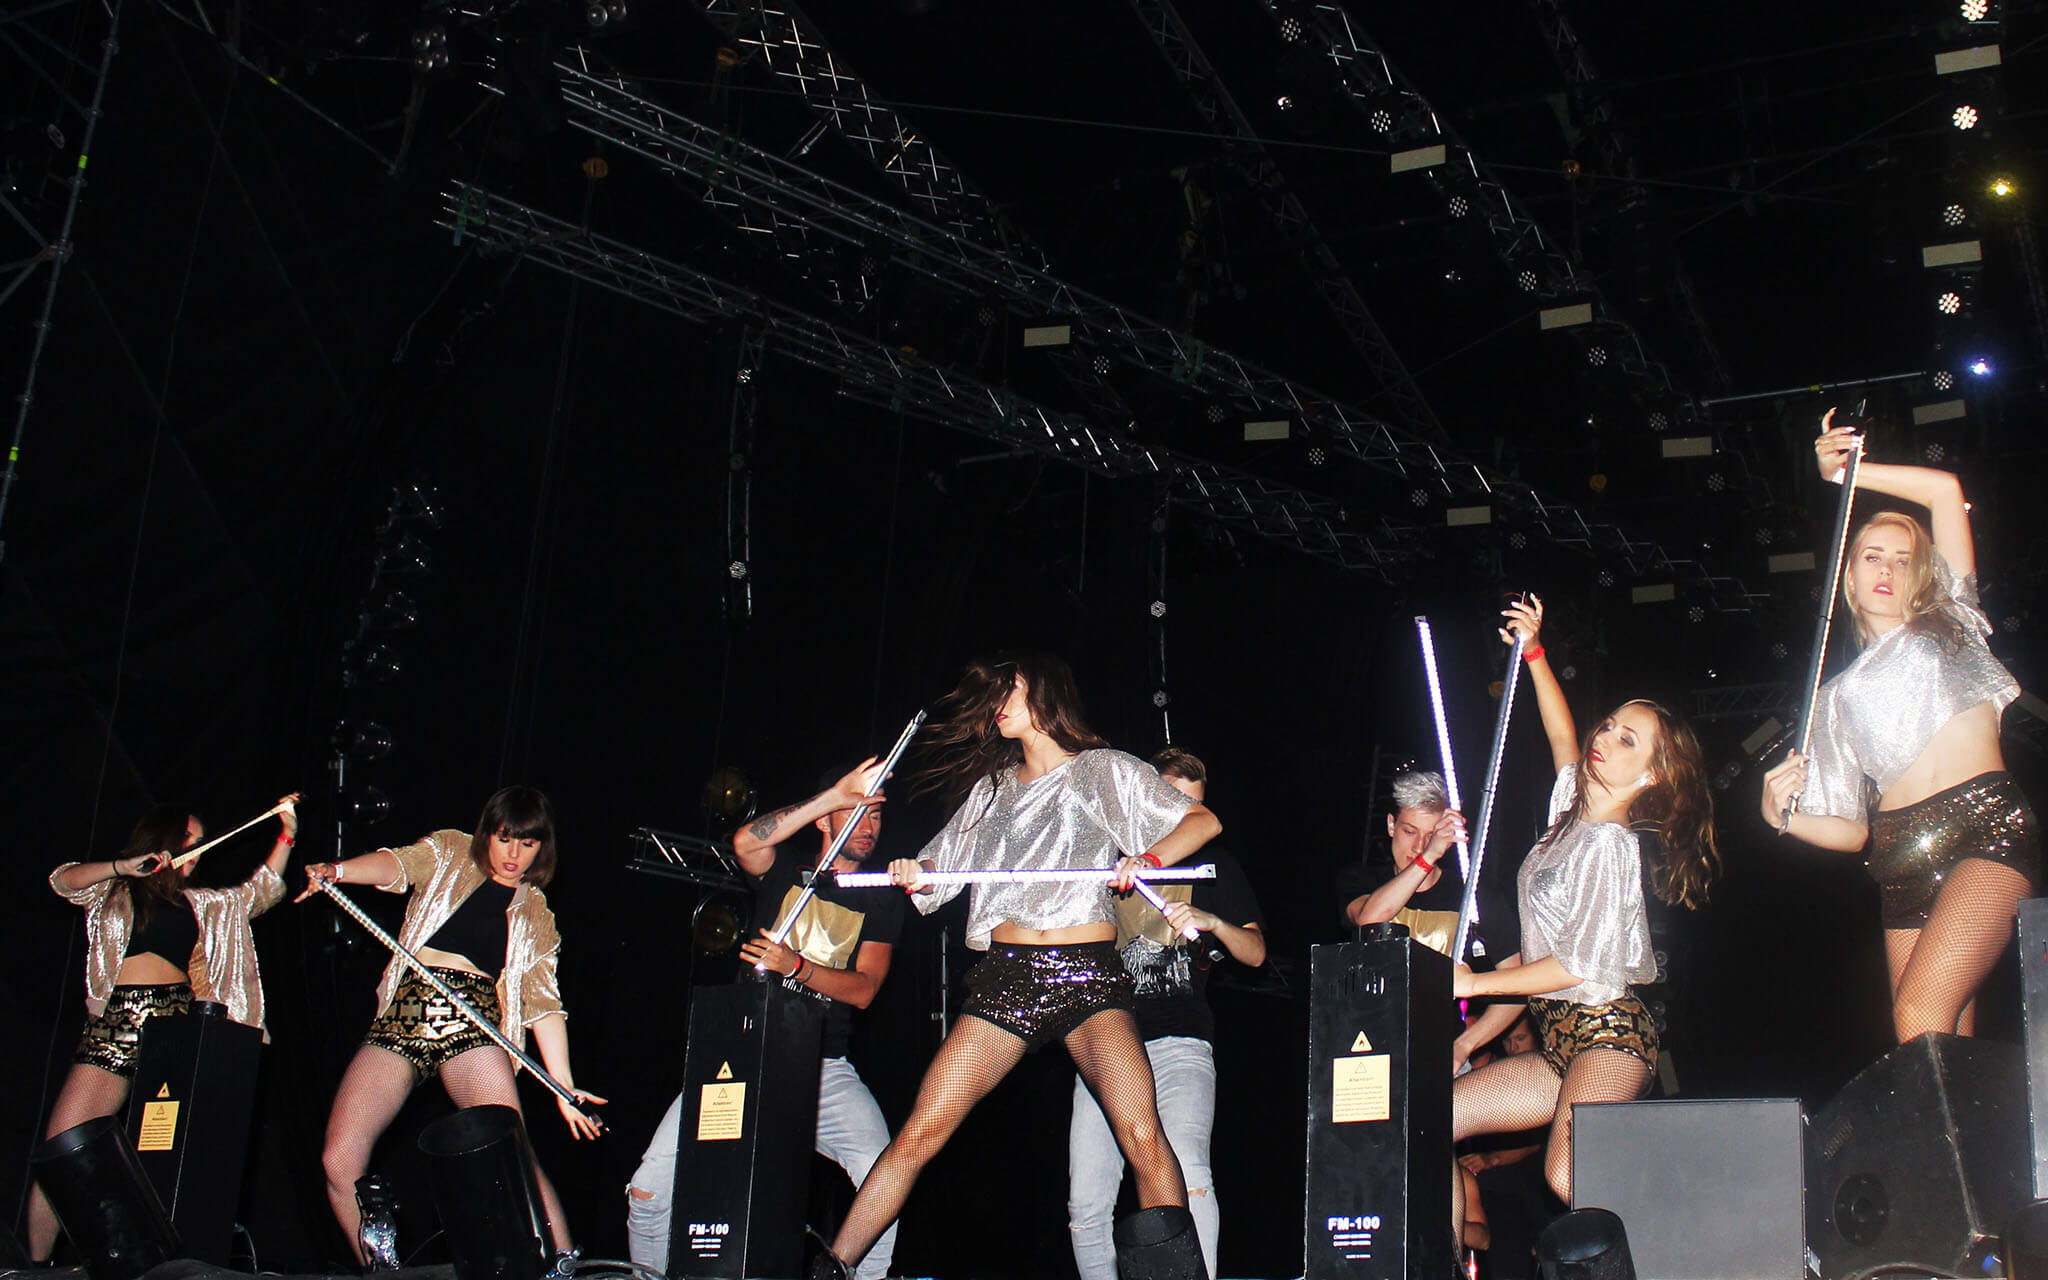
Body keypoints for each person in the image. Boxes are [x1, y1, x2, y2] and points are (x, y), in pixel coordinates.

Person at [813, 652, 1222, 1280]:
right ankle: (832, 1269)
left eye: (1011, 690)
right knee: (920, 1131)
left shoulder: (1104, 770)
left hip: (1087, 975)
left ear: (1046, 696)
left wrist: (1149, 859)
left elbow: (1201, 820)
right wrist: (917, 871)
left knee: (1143, 1136)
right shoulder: (992, 789)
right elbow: (941, 874)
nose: (997, 704)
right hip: (1008, 977)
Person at [1448, 595, 1719, 1239]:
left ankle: (1690, 1234)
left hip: (1608, 1035)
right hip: (1558, 1041)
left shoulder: (1610, 845)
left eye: (1629, 739)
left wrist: (1476, 983)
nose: (1606, 737)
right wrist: (1535, 653)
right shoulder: (1570, 811)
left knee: (1567, 1176)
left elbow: (1574, 966)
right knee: (1438, 1115)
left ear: (1651, 776)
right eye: (1611, 724)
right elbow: (1562, 737)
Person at [1763, 412, 2037, 1041]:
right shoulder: (1833, 697)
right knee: (1928, 1045)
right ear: (1849, 576)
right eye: (1872, 557)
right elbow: (1850, 830)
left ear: (1922, 572)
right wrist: (1778, 815)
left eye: (1902, 558)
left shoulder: (1953, 617)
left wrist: (1846, 476)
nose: (1886, 569)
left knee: (1919, 1010)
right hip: (1898, 855)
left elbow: (1943, 490)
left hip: (1983, 827)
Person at [624, 760, 904, 1279]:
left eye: (877, 816)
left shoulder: (881, 896)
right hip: (743, 1060)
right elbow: (745, 842)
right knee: (648, 1189)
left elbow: (865, 989)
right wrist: (834, 796)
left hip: (823, 1069)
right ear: (825, 819)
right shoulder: (785, 870)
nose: (869, 827)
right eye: (857, 813)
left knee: (884, 1180)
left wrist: (796, 966)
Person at [300, 787, 602, 1261]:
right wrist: (338, 871)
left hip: (471, 1022)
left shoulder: (535, 912)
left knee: (513, 1155)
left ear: (542, 848)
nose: (513, 854)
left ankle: (563, 1267)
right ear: (488, 834)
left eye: (527, 843)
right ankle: (380, 1269)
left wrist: (562, 1086)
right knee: (338, 1160)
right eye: (504, 839)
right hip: (405, 1012)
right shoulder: (451, 851)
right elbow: (396, 865)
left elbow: (543, 1003)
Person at [31, 796, 299, 1260]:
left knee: (164, 1155)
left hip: (174, 1030)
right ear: (162, 840)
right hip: (116, 1025)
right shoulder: (113, 891)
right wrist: (122, 867)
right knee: (62, 1149)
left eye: (200, 842)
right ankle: (35, 1267)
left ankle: (164, 1262)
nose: (196, 850)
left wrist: (286, 834)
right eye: (188, 840)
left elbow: (261, 892)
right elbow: (63, 880)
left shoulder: (203, 904)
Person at [1067, 747, 1265, 1280]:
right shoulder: (1101, 858)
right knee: (1087, 1203)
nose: (1185, 817)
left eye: (1194, 806)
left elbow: (1255, 953)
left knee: (1189, 1176)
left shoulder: (1214, 867)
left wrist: (1214, 923)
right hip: (1104, 1045)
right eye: (1175, 803)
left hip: (1180, 1042)